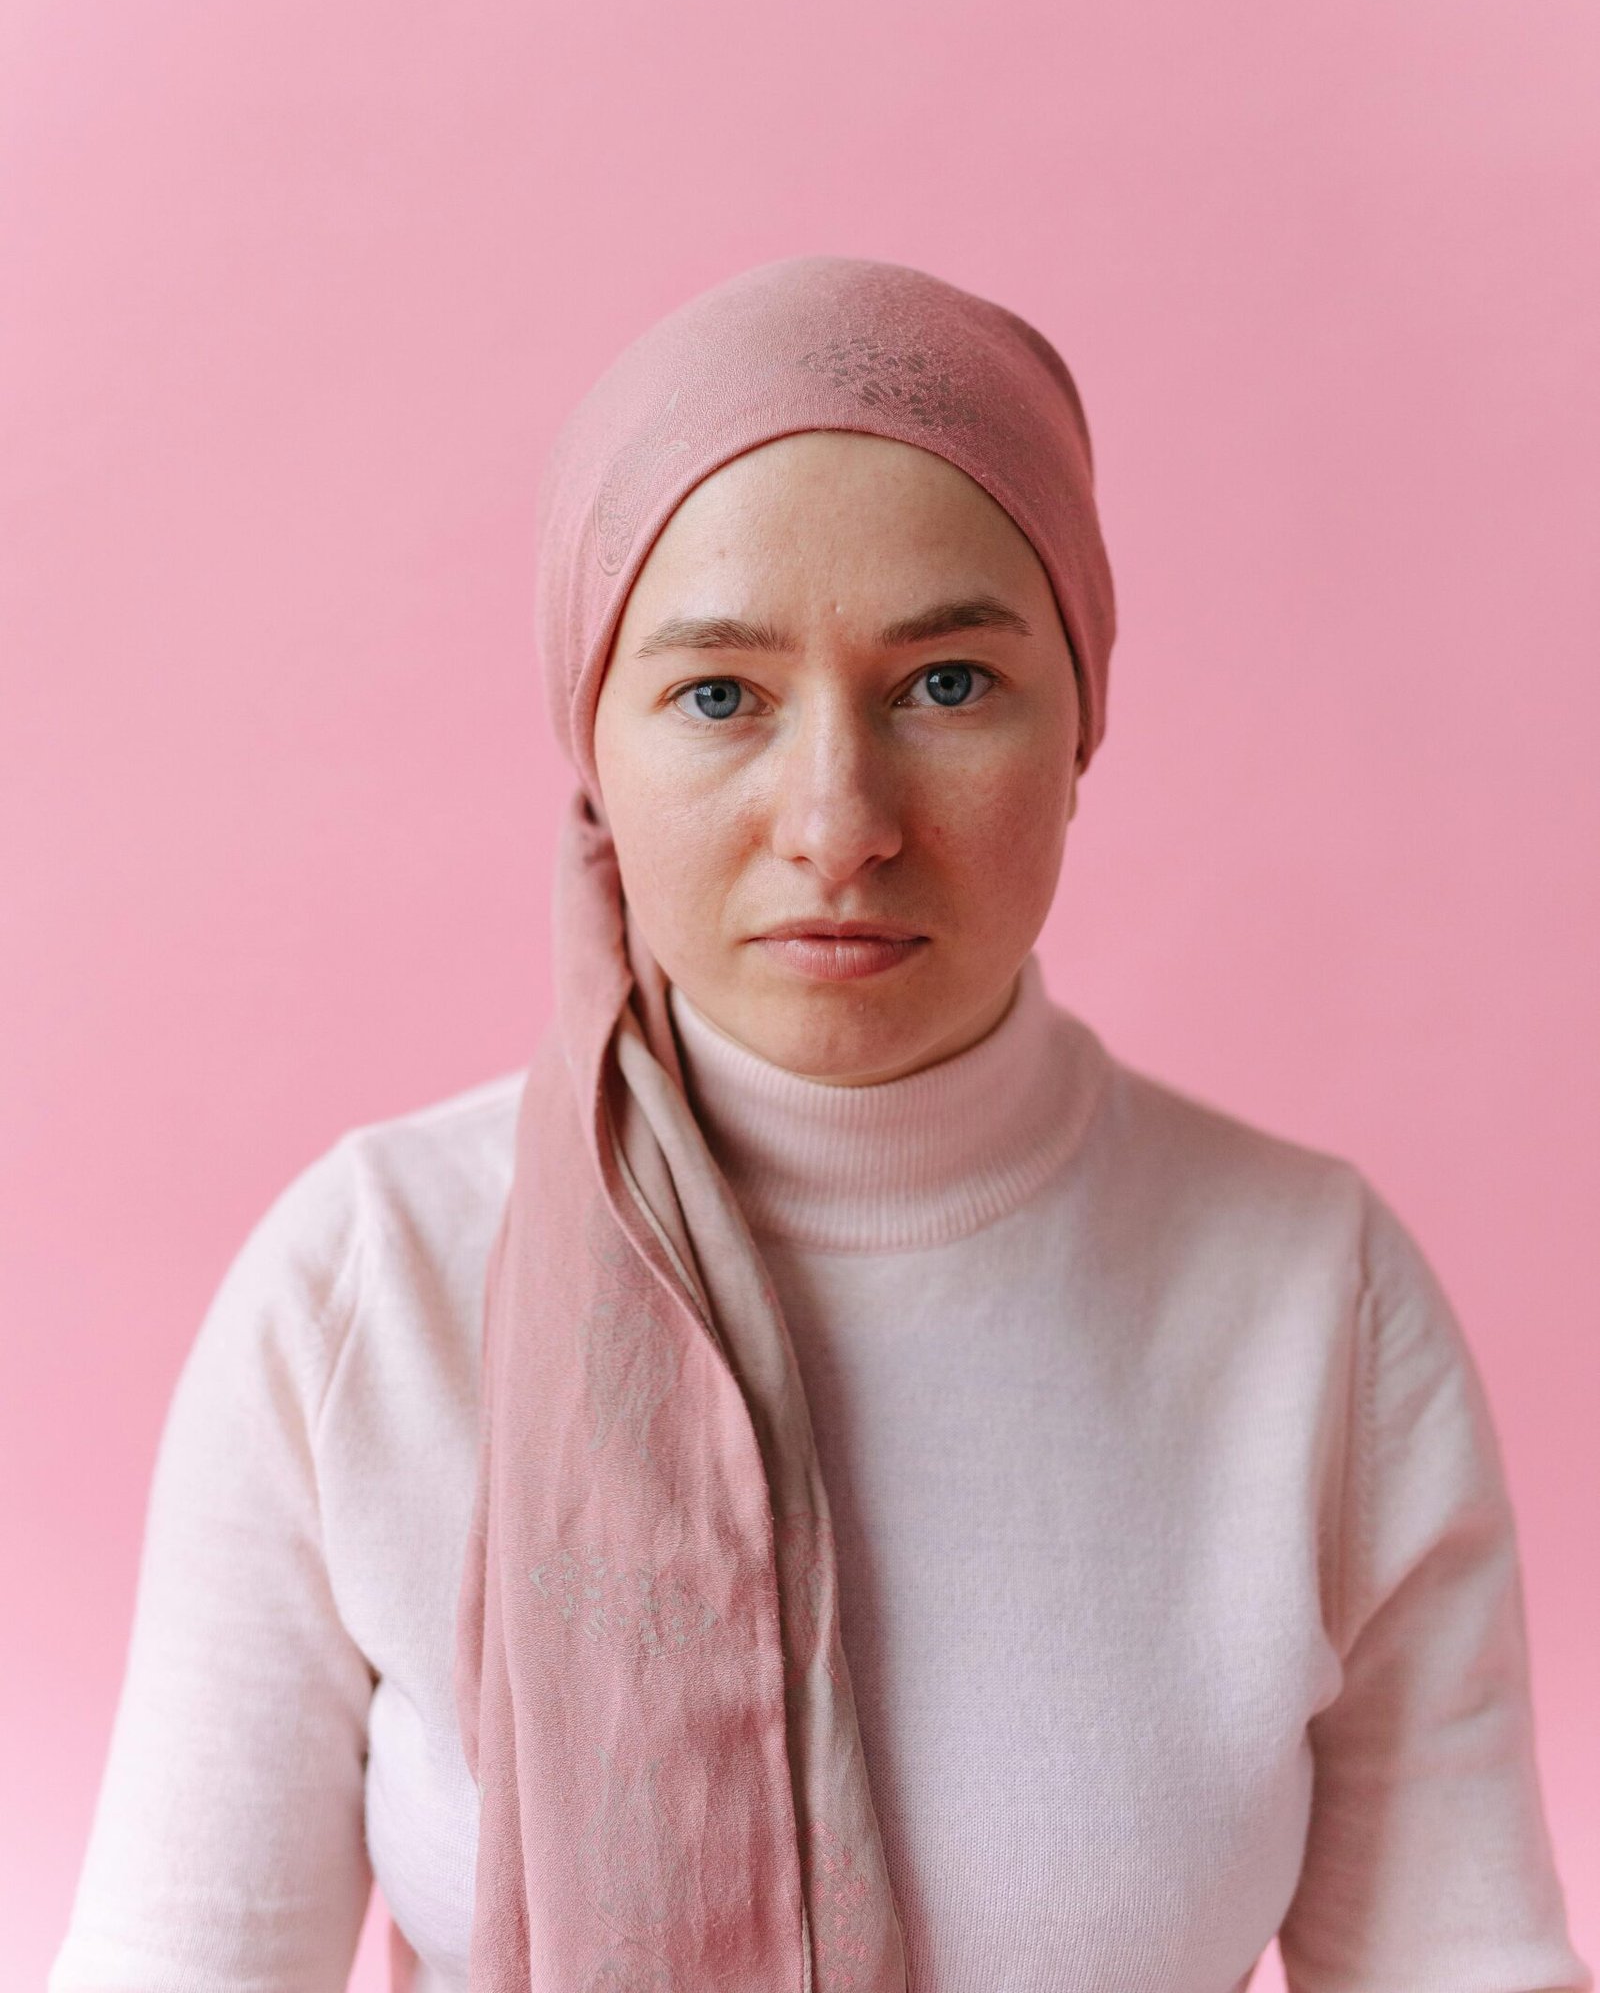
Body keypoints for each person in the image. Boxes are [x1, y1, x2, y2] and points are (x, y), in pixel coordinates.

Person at [50, 257, 1589, 1993]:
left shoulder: (1319, 1302)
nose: (839, 822)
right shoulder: (366, 1291)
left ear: (1082, 713)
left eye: (948, 683)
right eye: (720, 696)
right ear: (596, 752)